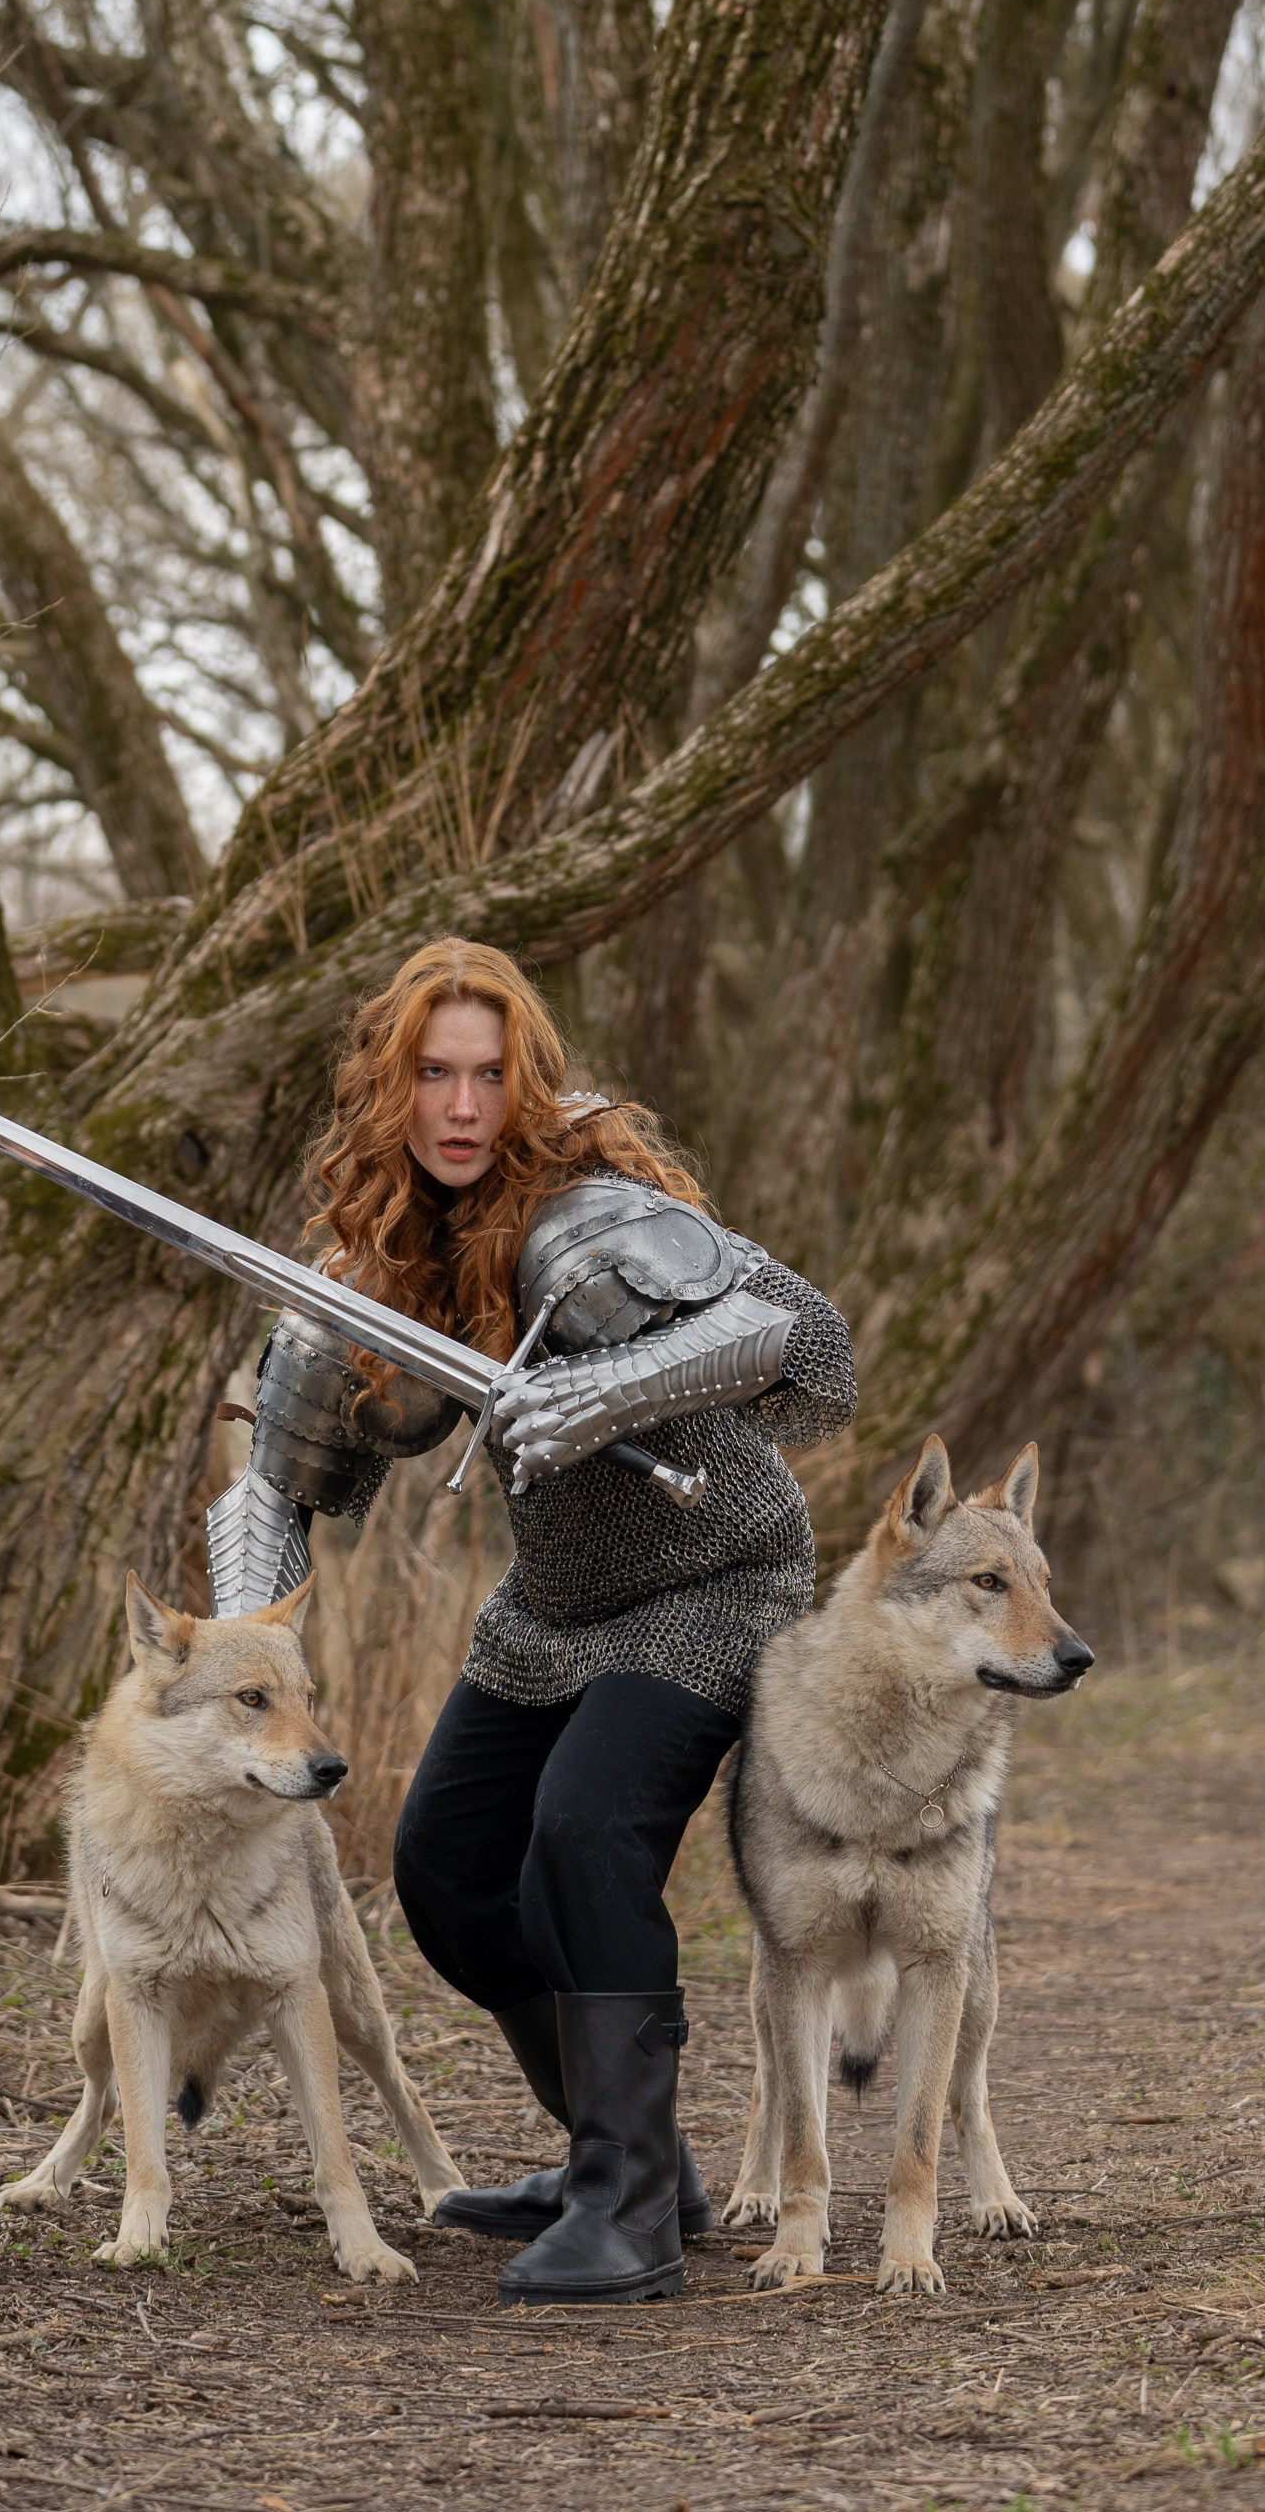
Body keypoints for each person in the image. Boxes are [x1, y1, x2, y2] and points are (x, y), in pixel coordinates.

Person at [209, 937, 854, 2306]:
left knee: (583, 1829)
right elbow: (274, 1485)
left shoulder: (596, 1208)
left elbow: (811, 1341)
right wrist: (237, 1660)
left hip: (716, 1577)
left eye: (489, 1076)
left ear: (527, 1083)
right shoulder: (384, 1256)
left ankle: (628, 2209)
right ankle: (630, 2157)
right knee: (446, 1868)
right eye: (434, 1075)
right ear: (391, 1088)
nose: (461, 1107)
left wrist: (609, 1390)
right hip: (553, 1605)